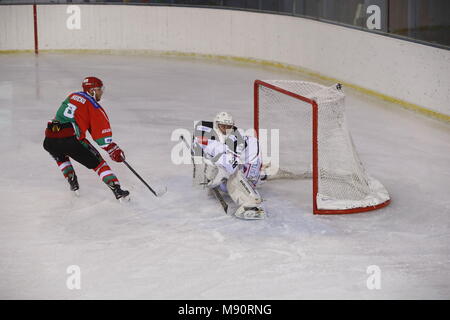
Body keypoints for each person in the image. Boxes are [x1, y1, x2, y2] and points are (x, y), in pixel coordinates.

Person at [43, 76, 130, 201]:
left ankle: (73, 183)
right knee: (99, 164)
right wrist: (112, 149)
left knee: (60, 155)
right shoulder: (93, 105)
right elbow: (100, 133)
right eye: (99, 89)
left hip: (50, 138)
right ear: (91, 91)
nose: (101, 92)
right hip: (70, 139)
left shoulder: (72, 95)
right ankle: (117, 190)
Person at [193, 111, 265, 219]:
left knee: (232, 182)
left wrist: (215, 180)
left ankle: (252, 205)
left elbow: (230, 169)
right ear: (216, 124)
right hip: (240, 159)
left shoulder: (235, 140)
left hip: (251, 163)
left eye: (229, 127)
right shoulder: (205, 128)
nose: (226, 129)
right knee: (220, 170)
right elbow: (199, 144)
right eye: (223, 126)